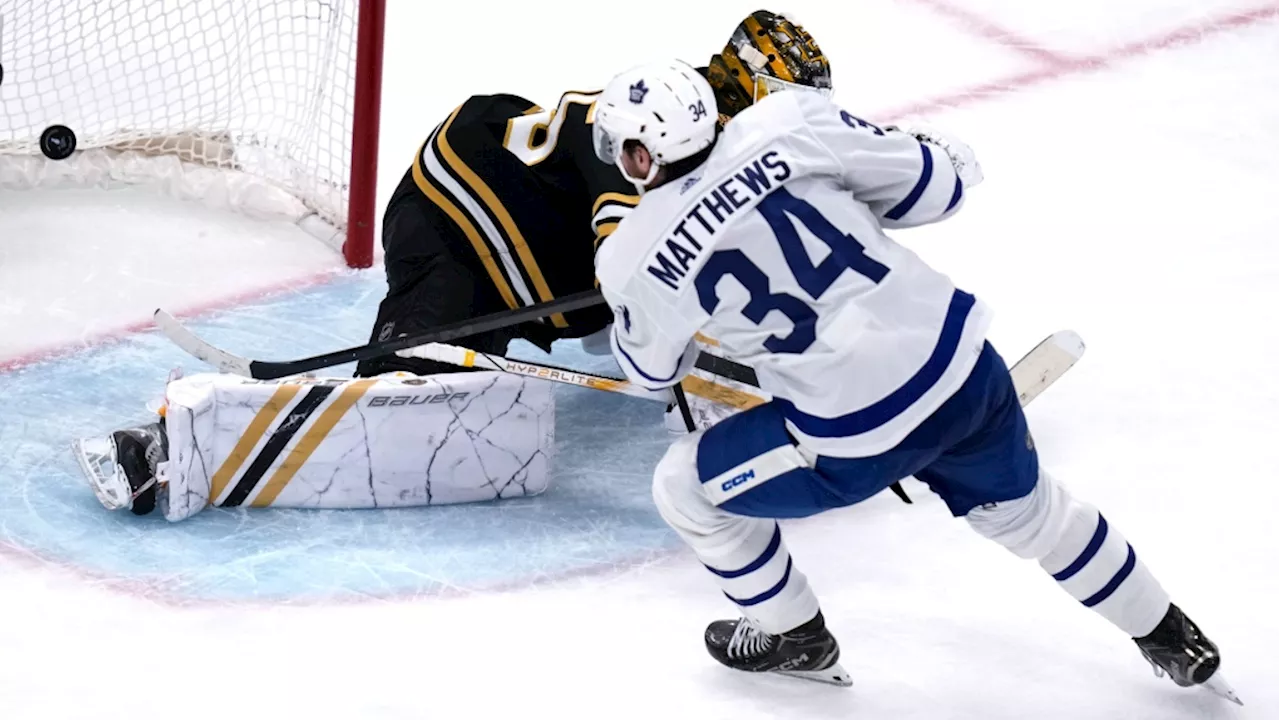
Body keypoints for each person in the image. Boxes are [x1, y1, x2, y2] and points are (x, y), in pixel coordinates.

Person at [590, 59, 1239, 702]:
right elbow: (937, 189)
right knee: (1035, 513)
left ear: (640, 155)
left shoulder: (631, 254)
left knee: (682, 487)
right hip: (962, 369)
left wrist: (647, 301)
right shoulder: (786, 122)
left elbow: (653, 372)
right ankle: (1170, 633)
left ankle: (793, 635)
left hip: (851, 440)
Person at [72, 11, 835, 520]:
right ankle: (169, 446)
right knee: (406, 397)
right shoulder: (668, 119)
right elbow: (634, 254)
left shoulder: (718, 137)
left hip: (522, 239)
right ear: (753, 89)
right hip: (460, 214)